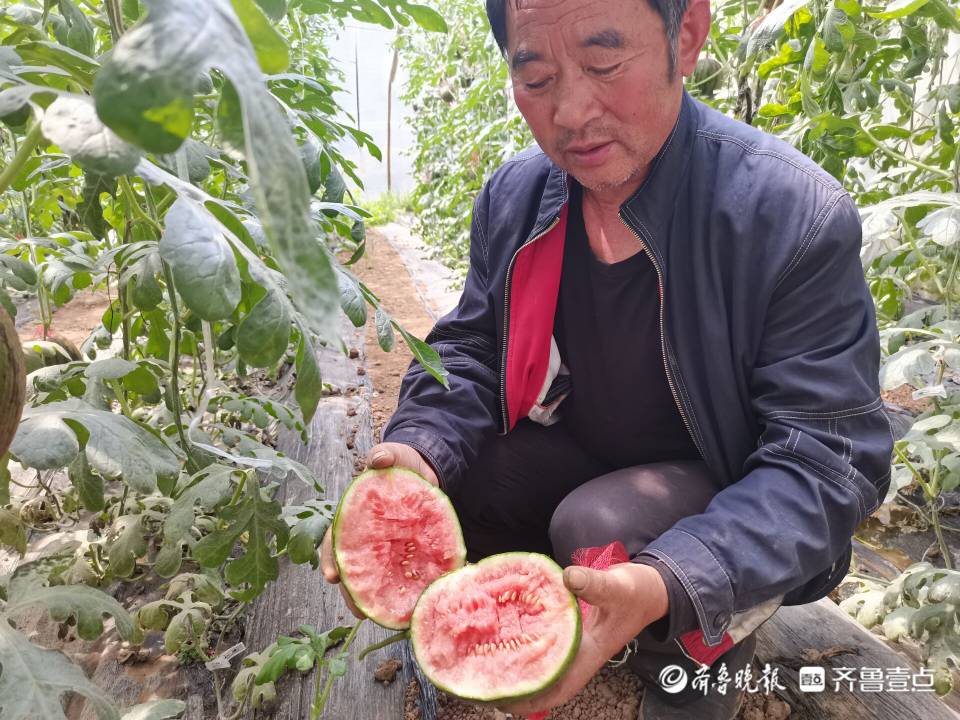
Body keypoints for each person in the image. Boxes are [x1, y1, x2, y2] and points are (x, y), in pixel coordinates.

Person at [321, 0, 895, 717]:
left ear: (684, 38)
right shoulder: (516, 196)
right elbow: (472, 347)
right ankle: (576, 612)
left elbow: (828, 460)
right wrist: (418, 451)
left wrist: (675, 577)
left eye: (603, 63)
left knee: (600, 527)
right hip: (589, 447)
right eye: (535, 79)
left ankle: (693, 650)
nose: (571, 111)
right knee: (461, 478)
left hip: (730, 488)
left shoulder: (791, 215)